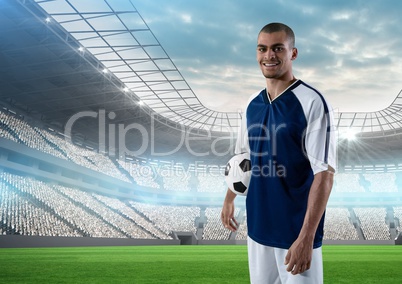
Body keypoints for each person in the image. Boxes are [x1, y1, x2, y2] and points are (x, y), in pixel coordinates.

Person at [221, 22, 336, 284]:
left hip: (295, 234)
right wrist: (229, 198)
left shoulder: (312, 102)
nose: (268, 56)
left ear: (292, 53)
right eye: (262, 49)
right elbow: (244, 159)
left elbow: (325, 174)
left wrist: (306, 238)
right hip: (258, 229)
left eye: (277, 49)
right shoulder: (252, 103)